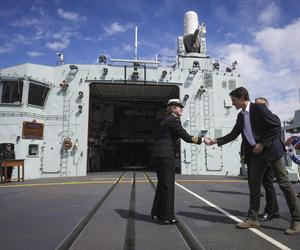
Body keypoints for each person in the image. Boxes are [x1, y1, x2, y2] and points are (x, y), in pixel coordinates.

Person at [206, 87, 300, 235]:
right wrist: (216, 141)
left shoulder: (259, 108)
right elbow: (233, 134)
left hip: (271, 150)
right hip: (256, 154)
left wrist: (262, 144)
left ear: (242, 98)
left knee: (284, 184)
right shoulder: (241, 116)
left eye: (234, 100)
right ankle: (253, 219)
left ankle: (296, 220)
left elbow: (275, 125)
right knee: (254, 185)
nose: (232, 103)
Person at [151, 99, 208, 224]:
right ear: (172, 108)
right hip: (166, 154)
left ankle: (158, 213)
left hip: (159, 153)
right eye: (179, 107)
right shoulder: (173, 120)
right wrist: (203, 140)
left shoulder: (167, 120)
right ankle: (167, 217)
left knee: (162, 185)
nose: (181, 109)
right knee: (168, 185)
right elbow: (186, 137)